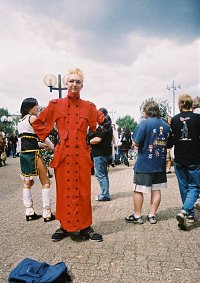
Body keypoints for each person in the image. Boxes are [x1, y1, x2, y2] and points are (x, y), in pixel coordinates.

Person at [32, 68, 105, 242]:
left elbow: (102, 123)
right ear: (66, 84)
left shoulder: (89, 107)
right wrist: (55, 137)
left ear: (82, 85)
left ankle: (85, 226)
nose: (74, 84)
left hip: (81, 155)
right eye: (71, 81)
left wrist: (95, 137)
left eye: (77, 81)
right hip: (63, 155)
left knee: (84, 192)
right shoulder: (55, 105)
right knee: (64, 191)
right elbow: (38, 123)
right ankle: (64, 226)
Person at [125, 101, 170, 225]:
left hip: (144, 164)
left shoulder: (143, 124)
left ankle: (138, 216)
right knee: (156, 190)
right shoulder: (166, 125)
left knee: (138, 190)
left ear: (146, 111)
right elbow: (169, 144)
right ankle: (152, 215)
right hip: (159, 164)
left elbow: (136, 142)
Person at [18, 98, 55, 222]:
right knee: (45, 182)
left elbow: (26, 140)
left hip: (24, 155)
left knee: (27, 183)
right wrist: (53, 147)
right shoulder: (32, 119)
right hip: (34, 154)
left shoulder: (20, 121)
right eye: (36, 105)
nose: (38, 107)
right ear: (30, 108)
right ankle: (47, 212)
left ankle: (29, 211)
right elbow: (43, 136)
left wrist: (40, 144)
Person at [170, 94, 200, 230]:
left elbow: (170, 142)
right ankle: (185, 211)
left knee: (184, 187)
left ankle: (189, 214)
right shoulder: (198, 118)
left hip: (179, 158)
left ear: (180, 104)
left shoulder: (174, 120)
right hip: (194, 157)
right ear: (191, 105)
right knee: (194, 186)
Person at [89, 108, 113, 201]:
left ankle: (105, 195)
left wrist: (87, 141)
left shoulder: (103, 126)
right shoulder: (109, 126)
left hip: (100, 154)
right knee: (104, 174)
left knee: (100, 175)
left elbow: (97, 140)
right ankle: (105, 193)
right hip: (106, 153)